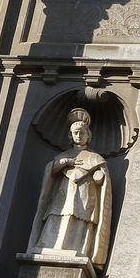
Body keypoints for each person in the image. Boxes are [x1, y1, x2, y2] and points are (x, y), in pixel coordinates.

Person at [28, 107, 113, 268]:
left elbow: (103, 181)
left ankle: (79, 250)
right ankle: (49, 246)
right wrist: (64, 163)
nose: (79, 136)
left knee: (80, 223)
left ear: (89, 135)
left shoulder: (96, 159)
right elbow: (51, 172)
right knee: (57, 217)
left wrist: (99, 178)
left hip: (85, 196)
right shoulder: (63, 156)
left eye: (82, 132)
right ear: (70, 135)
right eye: (76, 133)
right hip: (63, 195)